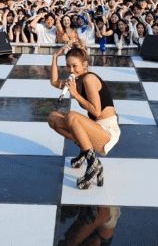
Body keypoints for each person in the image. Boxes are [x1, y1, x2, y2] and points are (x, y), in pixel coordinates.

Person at [47, 43, 120, 189]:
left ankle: (93, 164)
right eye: (68, 66)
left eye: (74, 66)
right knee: (53, 118)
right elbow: (54, 82)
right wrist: (55, 57)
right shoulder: (77, 81)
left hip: (107, 132)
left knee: (72, 116)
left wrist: (75, 94)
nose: (71, 70)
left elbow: (96, 112)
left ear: (84, 64)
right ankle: (86, 153)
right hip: (95, 128)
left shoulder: (88, 79)